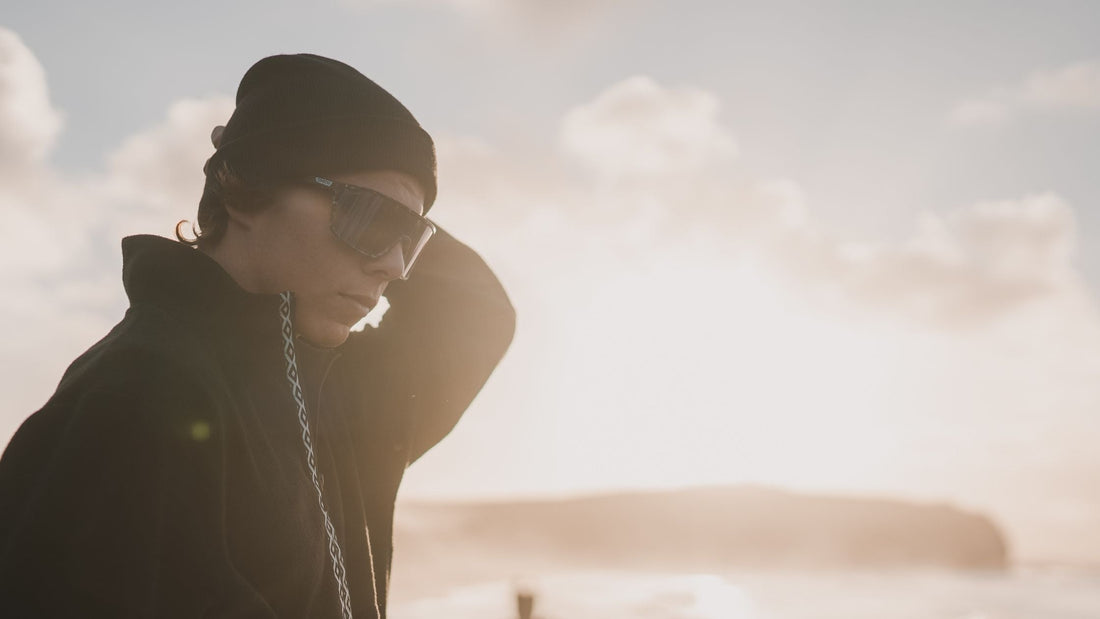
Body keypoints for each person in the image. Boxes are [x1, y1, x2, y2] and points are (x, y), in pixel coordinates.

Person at [0, 54, 515, 618]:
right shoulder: (133, 401)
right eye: (370, 218)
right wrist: (247, 163)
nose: (394, 267)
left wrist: (389, 194)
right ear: (250, 193)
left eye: (411, 241)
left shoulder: (333, 396)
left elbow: (473, 313)